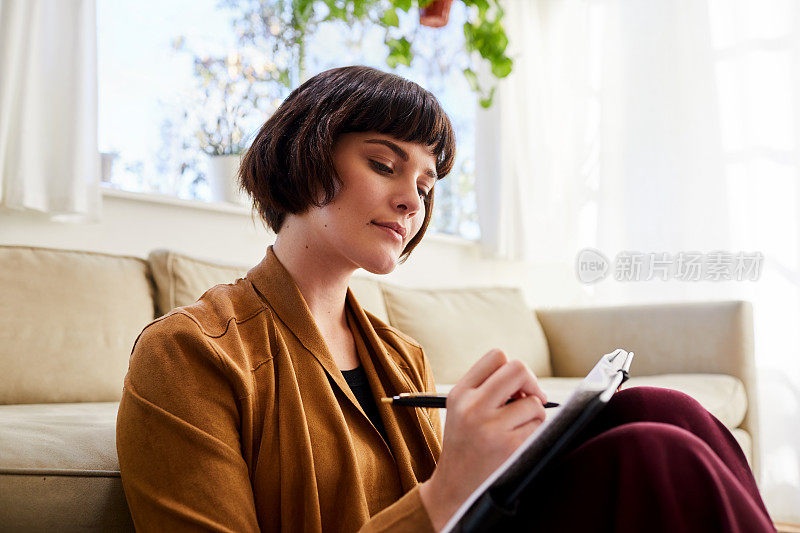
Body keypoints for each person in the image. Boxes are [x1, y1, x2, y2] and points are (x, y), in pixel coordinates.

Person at [116, 65, 775, 532]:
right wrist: (451, 482)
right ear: (305, 153)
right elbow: (437, 501)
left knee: (669, 412)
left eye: (427, 184)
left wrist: (504, 456)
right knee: (656, 457)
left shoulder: (398, 355)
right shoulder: (189, 353)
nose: (411, 198)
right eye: (383, 164)